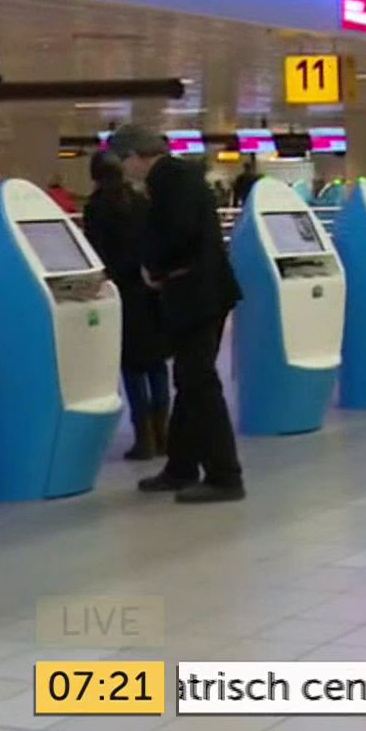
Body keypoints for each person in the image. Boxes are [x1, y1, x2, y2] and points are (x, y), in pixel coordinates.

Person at [107, 124, 246, 504]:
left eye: (123, 161)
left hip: (196, 295)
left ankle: (225, 475)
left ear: (135, 155)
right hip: (205, 292)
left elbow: (177, 233)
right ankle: (181, 467)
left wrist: (152, 266)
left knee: (199, 383)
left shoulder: (169, 179)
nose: (124, 171)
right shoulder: (181, 175)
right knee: (188, 380)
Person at [80, 151, 168, 461]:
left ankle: (144, 437)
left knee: (132, 366)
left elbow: (95, 253)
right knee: (157, 363)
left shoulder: (96, 207)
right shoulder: (141, 201)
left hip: (122, 293)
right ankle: (163, 434)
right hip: (149, 289)